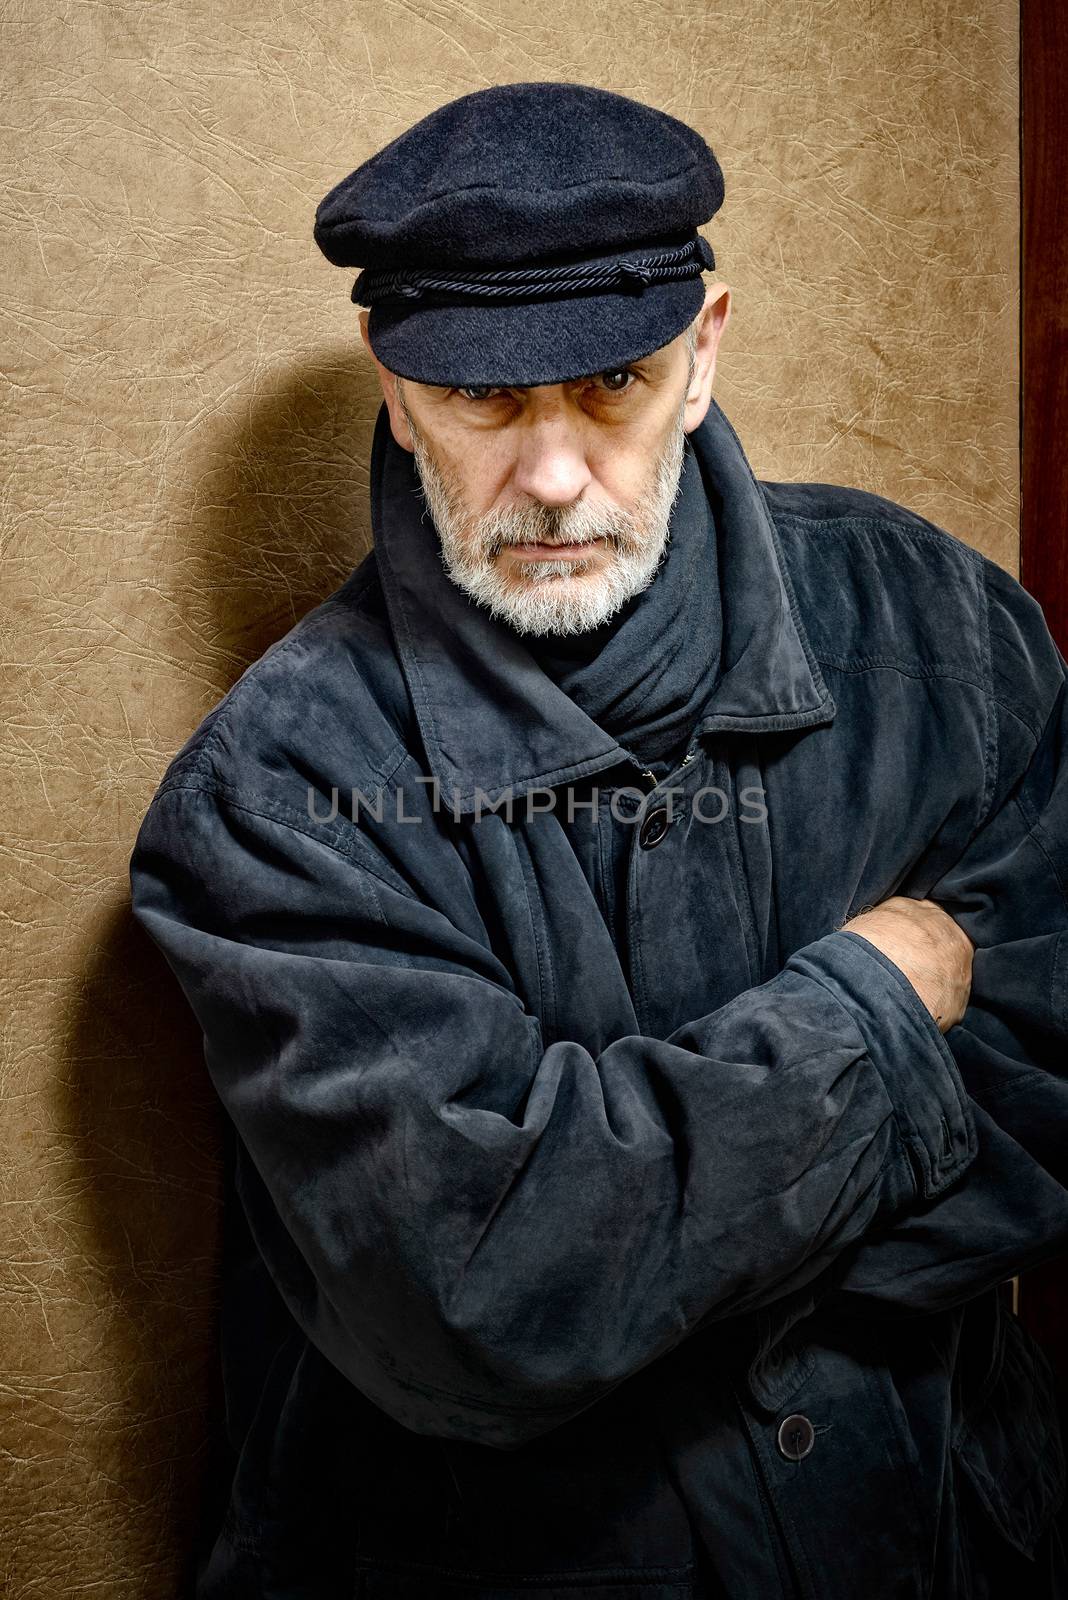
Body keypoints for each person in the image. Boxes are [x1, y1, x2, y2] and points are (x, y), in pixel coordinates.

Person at [128, 82, 1068, 1599]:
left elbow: (1059, 1096)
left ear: (703, 357)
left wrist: (645, 1244)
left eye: (613, 383)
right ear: (393, 383)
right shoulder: (273, 793)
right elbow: (484, 1295)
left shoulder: (939, 632)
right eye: (487, 402)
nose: (554, 476)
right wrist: (880, 1002)